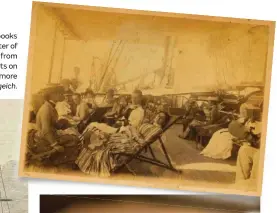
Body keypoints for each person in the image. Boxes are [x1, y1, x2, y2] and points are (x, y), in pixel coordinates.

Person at [75, 111, 168, 177]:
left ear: (164, 122)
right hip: (128, 137)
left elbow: (142, 142)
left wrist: (132, 131)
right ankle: (84, 152)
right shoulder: (148, 124)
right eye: (158, 115)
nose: (158, 117)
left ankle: (87, 160)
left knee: (102, 144)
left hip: (132, 143)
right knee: (99, 136)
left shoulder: (158, 129)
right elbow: (135, 132)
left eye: (162, 118)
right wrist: (131, 130)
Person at [26, 86, 80, 166]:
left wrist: (64, 124)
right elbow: (45, 130)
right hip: (44, 139)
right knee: (75, 140)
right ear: (53, 95)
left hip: (48, 135)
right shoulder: (46, 109)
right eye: (60, 93)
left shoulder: (50, 107)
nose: (62, 95)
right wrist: (55, 145)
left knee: (74, 136)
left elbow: (53, 125)